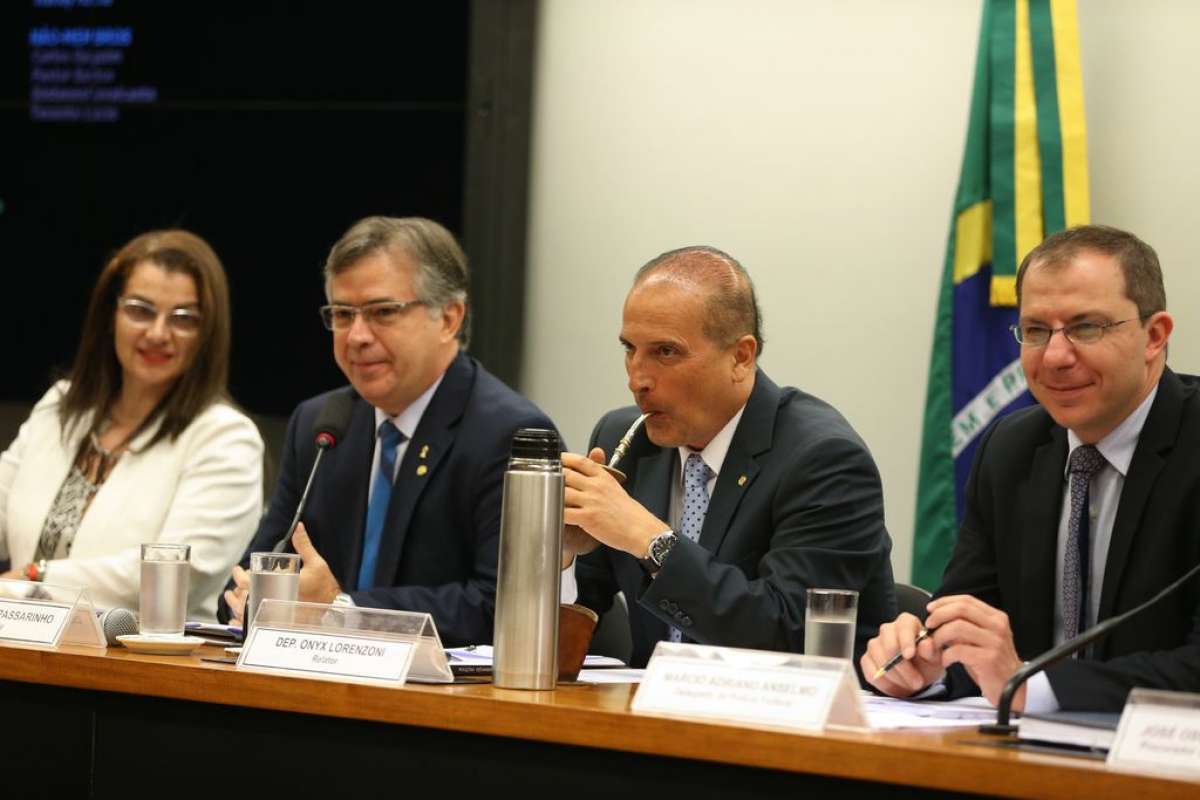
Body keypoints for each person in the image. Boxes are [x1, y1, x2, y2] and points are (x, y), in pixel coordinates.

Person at [863, 225, 1200, 713]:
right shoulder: (1012, 448)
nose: (1056, 357)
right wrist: (925, 663)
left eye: (1087, 327)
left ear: (1154, 336)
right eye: (1037, 331)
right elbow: (969, 624)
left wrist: (1032, 689)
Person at [222, 216, 555, 647]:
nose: (357, 336)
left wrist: (344, 610)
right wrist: (254, 597)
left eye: (382, 312)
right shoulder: (320, 425)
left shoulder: (509, 433)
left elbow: (500, 606)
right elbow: (248, 580)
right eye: (343, 315)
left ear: (450, 318)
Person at [564, 246, 897, 668]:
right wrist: (561, 558)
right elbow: (574, 621)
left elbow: (790, 637)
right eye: (630, 348)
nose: (637, 378)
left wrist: (651, 540)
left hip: (791, 724)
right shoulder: (624, 441)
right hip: (649, 721)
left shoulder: (824, 459)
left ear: (741, 356)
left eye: (666, 352)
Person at [0, 230, 263, 620]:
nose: (158, 333)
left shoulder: (225, 438)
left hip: (143, 669)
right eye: (140, 310)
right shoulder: (60, 406)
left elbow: (174, 574)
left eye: (183, 318)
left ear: (207, 334)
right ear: (111, 314)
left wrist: (34, 578)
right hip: (22, 649)